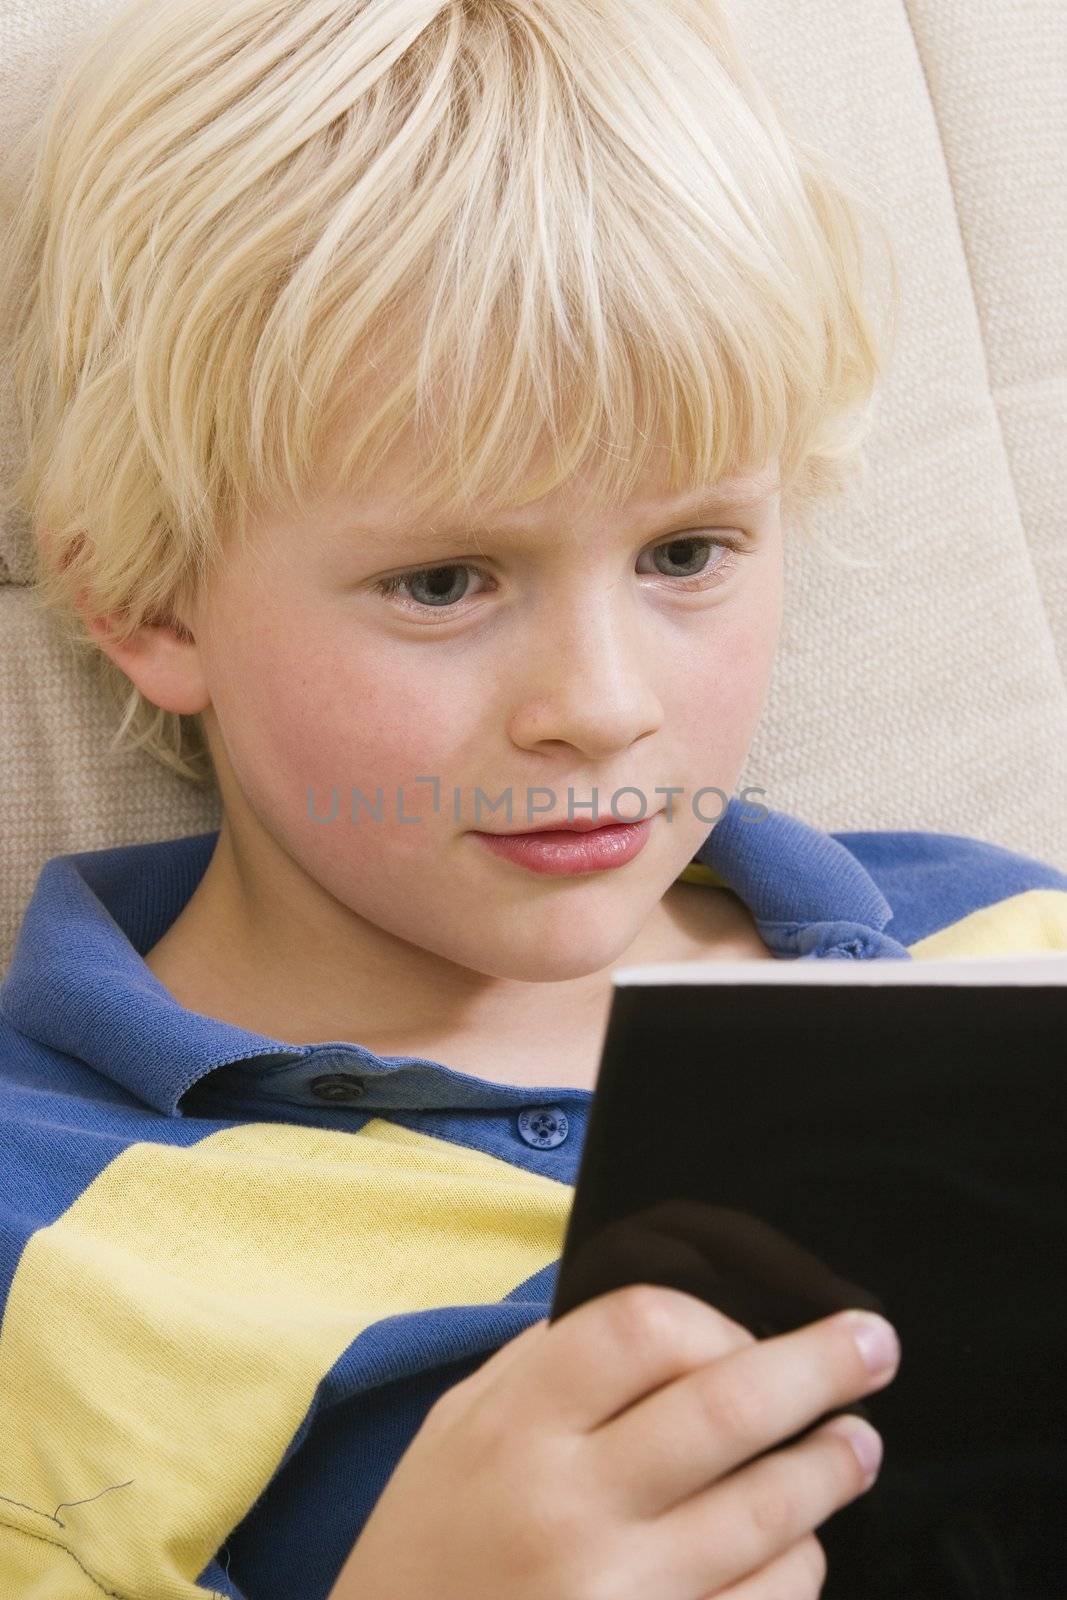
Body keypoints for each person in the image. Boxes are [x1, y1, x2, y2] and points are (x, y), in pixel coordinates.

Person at [1, 0, 1065, 1596]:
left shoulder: (1005, 938)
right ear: (152, 605)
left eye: (687, 554)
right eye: (444, 580)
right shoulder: (45, 1236)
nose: (605, 708)